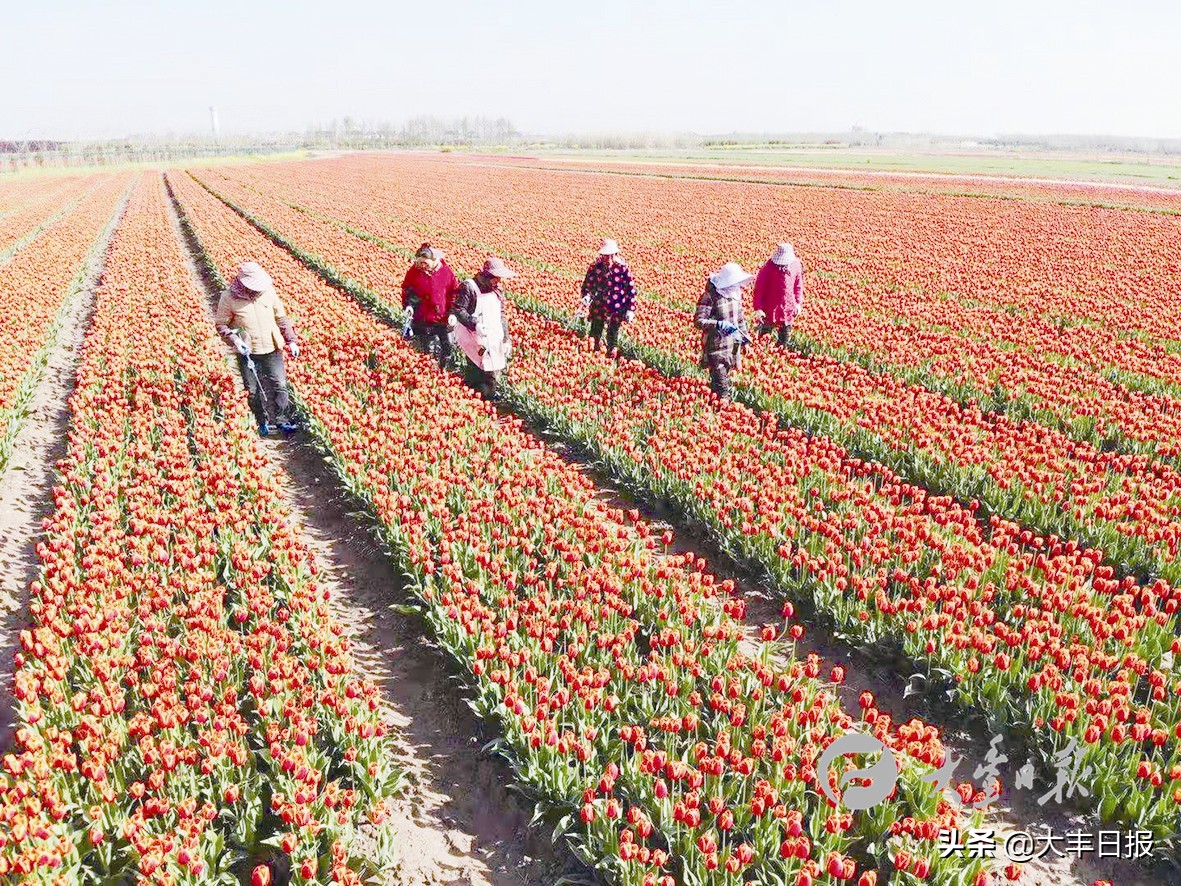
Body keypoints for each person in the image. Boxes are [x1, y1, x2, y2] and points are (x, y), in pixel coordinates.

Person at [215, 261, 301, 436]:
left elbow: (281, 319)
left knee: (280, 384)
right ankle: (260, 421)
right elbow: (221, 325)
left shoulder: (268, 293)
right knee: (252, 390)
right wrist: (235, 340)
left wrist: (291, 340)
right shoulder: (229, 298)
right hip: (248, 350)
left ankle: (282, 420)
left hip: (271, 346)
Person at [452, 257, 515, 400]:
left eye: (499, 279)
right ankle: (475, 398)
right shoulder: (469, 287)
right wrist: (474, 324)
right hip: (472, 334)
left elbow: (502, 314)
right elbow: (459, 310)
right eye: (495, 278)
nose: (498, 282)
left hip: (492, 333)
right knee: (476, 367)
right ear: (486, 275)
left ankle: (487, 397)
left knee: (491, 367)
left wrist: (506, 339)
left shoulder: (497, 289)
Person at [695, 262, 754, 402]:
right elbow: (698, 321)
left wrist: (746, 342)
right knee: (723, 388)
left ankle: (712, 408)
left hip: (732, 347)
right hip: (716, 346)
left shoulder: (735, 295)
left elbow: (740, 321)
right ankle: (722, 408)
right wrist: (718, 324)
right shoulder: (710, 296)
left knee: (719, 381)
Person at [401, 243, 459, 366]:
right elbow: (408, 290)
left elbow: (454, 293)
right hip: (423, 318)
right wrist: (409, 305)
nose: (422, 266)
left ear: (435, 261)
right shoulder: (414, 271)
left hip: (444, 317)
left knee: (447, 347)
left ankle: (444, 371)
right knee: (429, 350)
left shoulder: (446, 272)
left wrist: (453, 312)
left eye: (425, 263)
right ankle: (430, 374)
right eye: (420, 262)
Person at [580, 238, 637, 358]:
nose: (608, 259)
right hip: (599, 304)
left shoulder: (622, 268)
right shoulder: (596, 266)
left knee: (613, 331)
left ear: (616, 254)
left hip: (616, 306)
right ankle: (593, 353)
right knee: (596, 328)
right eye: (605, 256)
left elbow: (631, 289)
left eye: (611, 256)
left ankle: (611, 355)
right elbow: (588, 283)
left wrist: (630, 309)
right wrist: (586, 295)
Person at [752, 242, 805, 346]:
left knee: (784, 338)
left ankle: (782, 348)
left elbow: (798, 285)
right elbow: (759, 288)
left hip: (788, 306)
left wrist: (798, 303)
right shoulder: (769, 267)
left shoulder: (796, 265)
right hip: (769, 307)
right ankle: (762, 351)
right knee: (764, 336)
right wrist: (758, 308)